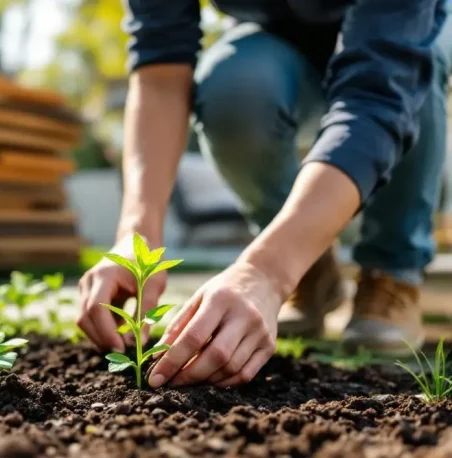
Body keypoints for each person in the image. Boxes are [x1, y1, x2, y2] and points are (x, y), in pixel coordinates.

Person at [77, 1, 452, 389]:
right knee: (234, 88)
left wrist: (267, 273)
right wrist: (136, 236)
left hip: (402, 33)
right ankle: (308, 270)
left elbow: (379, 97)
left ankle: (391, 271)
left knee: (419, 69)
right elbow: (161, 69)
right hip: (278, 41)